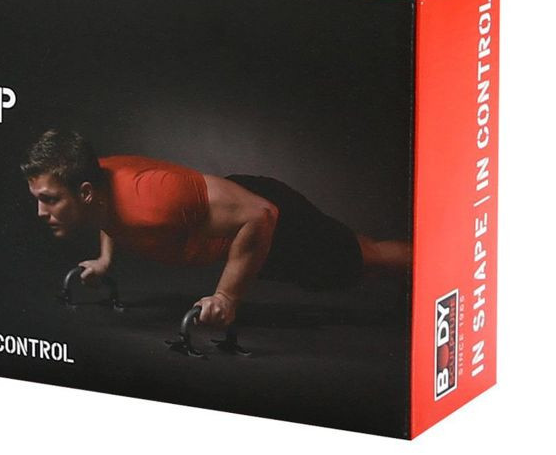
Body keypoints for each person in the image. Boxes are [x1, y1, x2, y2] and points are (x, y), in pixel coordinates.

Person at [21, 129, 410, 327]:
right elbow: (108, 214)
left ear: (85, 192)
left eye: (49, 199)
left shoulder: (152, 199)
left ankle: (435, 273)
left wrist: (226, 297)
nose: (40, 212)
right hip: (235, 222)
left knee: (363, 260)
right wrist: (105, 260)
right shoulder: (95, 184)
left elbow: (261, 214)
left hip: (267, 220)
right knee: (359, 261)